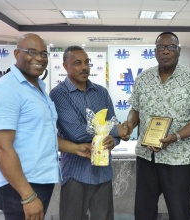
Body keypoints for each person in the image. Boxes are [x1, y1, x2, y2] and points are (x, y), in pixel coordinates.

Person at [0, 33, 90, 220]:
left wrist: (76, 148)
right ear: (17, 53)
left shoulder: (38, 87)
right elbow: (1, 147)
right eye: (31, 52)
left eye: (43, 53)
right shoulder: (6, 89)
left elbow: (43, 135)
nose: (39, 58)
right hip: (20, 185)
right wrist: (28, 196)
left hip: (39, 181)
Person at [121, 32, 190, 220]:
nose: (166, 51)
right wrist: (129, 123)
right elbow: (135, 109)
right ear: (155, 52)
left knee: (179, 212)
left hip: (179, 160)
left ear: (178, 51)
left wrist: (175, 137)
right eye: (161, 47)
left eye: (171, 47)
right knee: (144, 211)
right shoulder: (143, 78)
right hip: (147, 157)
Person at [49, 45, 124, 220]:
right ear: (65, 65)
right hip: (76, 173)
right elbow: (76, 132)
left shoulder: (101, 92)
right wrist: (115, 130)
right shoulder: (59, 94)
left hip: (103, 171)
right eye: (77, 63)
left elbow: (115, 125)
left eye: (86, 62)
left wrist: (114, 140)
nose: (84, 67)